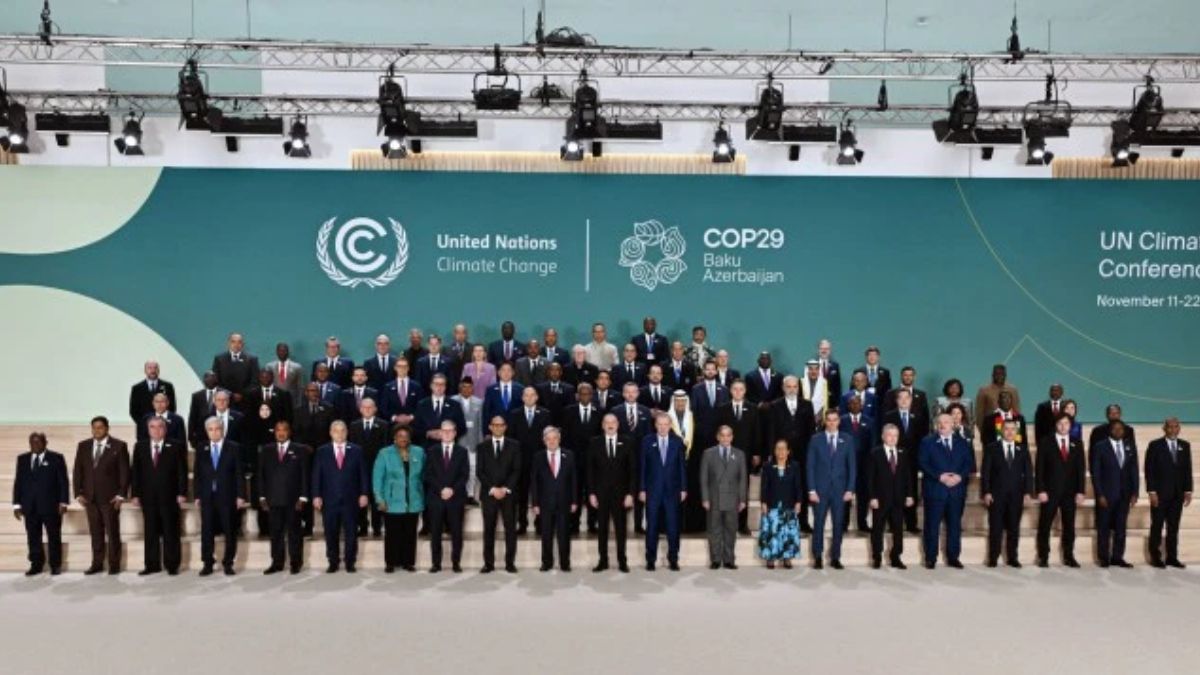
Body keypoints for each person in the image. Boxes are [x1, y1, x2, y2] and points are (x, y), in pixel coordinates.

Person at [130, 416, 188, 576]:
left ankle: (172, 565)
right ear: (148, 429)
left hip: (169, 496)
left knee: (171, 531)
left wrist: (182, 493)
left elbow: (181, 472)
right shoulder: (140, 446)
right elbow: (135, 472)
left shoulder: (176, 446)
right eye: (152, 427)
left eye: (160, 427)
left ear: (165, 428)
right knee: (150, 532)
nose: (156, 430)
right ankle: (152, 565)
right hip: (148, 497)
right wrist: (135, 494)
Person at [73, 416, 130, 575]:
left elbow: (124, 473)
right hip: (90, 499)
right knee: (95, 533)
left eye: (100, 427)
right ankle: (97, 563)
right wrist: (78, 493)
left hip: (110, 499)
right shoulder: (83, 446)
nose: (96, 430)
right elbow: (78, 471)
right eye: (94, 427)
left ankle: (114, 565)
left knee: (112, 533)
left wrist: (120, 495)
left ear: (107, 428)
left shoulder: (119, 446)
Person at [312, 421, 369, 573]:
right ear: (331, 433)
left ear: (347, 432)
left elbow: (363, 474)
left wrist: (364, 493)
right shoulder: (322, 451)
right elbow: (317, 475)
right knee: (331, 532)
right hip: (329, 500)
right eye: (336, 431)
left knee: (351, 533)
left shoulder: (356, 450)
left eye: (343, 430)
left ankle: (350, 562)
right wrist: (316, 495)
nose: (340, 434)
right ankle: (333, 562)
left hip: (351, 499)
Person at [918, 413, 975, 569]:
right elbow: (922, 462)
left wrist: (959, 476)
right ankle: (930, 558)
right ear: (936, 425)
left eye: (947, 422)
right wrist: (939, 476)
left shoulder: (963, 442)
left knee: (955, 525)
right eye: (940, 422)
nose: (943, 425)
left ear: (953, 424)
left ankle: (953, 557)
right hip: (935, 490)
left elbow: (969, 463)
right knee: (931, 526)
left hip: (956, 491)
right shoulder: (927, 442)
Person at [194, 416, 247, 576]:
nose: (214, 432)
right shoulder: (201, 447)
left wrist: (240, 495)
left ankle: (228, 563)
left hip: (228, 496)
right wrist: (197, 495)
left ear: (222, 430)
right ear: (207, 431)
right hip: (207, 496)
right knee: (207, 531)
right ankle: (207, 563)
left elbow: (239, 473)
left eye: (217, 429)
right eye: (210, 430)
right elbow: (198, 474)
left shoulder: (234, 447)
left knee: (230, 531)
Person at [12, 432, 69, 576]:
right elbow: (18, 482)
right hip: (29, 506)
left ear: (45, 443)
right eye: (32, 443)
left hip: (51, 506)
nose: (35, 445)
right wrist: (16, 504)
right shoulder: (22, 459)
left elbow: (63, 482)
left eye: (38, 442)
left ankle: (55, 565)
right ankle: (36, 564)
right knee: (32, 537)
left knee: (54, 536)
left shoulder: (56, 458)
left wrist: (63, 502)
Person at [257, 420, 309, 574]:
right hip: (273, 500)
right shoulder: (266, 450)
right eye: (278, 430)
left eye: (284, 429)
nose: (281, 433)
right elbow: (261, 475)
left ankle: (295, 562)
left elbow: (305, 475)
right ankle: (277, 563)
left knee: (295, 533)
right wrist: (261, 497)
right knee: (275, 533)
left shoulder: (300, 450)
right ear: (275, 432)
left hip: (294, 500)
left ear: (289, 432)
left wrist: (304, 497)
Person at [1035, 413, 1086, 568]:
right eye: (1060, 424)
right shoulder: (1045, 442)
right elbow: (1039, 469)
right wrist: (1041, 490)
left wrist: (1080, 491)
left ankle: (1069, 556)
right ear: (1055, 425)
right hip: (1050, 492)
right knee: (1045, 525)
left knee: (1069, 526)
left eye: (1066, 423)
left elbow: (1080, 469)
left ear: (1071, 426)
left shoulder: (1077, 443)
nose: (1063, 426)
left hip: (1070, 493)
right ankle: (1043, 556)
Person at [807, 409, 856, 569]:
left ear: (839, 421)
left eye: (835, 419)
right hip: (820, 490)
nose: (832, 423)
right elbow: (810, 466)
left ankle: (836, 557)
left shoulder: (847, 439)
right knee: (819, 523)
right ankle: (818, 556)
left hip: (840, 491)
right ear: (825, 421)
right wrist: (812, 489)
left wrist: (850, 489)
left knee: (838, 524)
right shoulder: (816, 439)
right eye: (829, 420)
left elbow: (852, 467)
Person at [981, 420, 1034, 568]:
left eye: (1013, 429)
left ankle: (1012, 558)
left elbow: (1028, 473)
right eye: (1006, 429)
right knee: (995, 528)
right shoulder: (991, 448)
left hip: (1017, 495)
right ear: (1001, 431)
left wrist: (1028, 493)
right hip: (996, 495)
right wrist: (986, 492)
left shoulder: (1022, 449)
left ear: (1016, 432)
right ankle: (993, 557)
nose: (1010, 432)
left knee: (1014, 528)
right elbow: (986, 473)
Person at [767, 376, 816, 532]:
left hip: (803, 454)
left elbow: (811, 431)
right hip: (781, 454)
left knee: (801, 486)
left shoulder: (807, 405)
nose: (792, 389)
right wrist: (772, 453)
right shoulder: (775, 406)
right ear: (783, 388)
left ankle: (803, 521)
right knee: (781, 487)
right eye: (789, 386)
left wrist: (811, 453)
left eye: (795, 386)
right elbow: (771, 432)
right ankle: (782, 520)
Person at [373, 426, 425, 573]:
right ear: (394, 437)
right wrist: (379, 499)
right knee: (392, 533)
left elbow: (423, 476)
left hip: (413, 500)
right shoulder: (384, 453)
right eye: (400, 435)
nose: (403, 438)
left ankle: (408, 562)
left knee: (410, 533)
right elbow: (377, 478)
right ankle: (391, 562)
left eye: (406, 435)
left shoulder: (419, 452)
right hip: (391, 501)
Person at [588, 414, 635, 572]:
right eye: (607, 422)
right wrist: (592, 493)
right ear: (602, 425)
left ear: (618, 424)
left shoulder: (628, 442)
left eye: (613, 422)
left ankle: (622, 561)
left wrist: (630, 493)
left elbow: (632, 471)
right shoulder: (594, 443)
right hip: (600, 494)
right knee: (602, 529)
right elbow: (590, 471)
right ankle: (603, 560)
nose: (610, 425)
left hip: (621, 494)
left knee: (621, 528)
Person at [1145, 417, 1193, 569]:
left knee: (1173, 527)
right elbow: (1149, 470)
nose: (1173, 429)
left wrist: (1188, 490)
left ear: (1179, 428)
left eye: (1176, 427)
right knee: (1157, 526)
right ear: (1164, 428)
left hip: (1177, 495)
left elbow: (1187, 470)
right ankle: (1156, 557)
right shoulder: (1155, 445)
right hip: (1159, 494)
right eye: (1170, 427)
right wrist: (1152, 491)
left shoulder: (1185, 446)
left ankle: (1172, 557)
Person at [641, 413, 687, 570]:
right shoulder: (647, 441)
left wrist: (683, 488)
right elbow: (642, 467)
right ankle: (650, 560)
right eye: (659, 424)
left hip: (672, 491)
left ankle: (673, 559)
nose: (662, 427)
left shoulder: (677, 442)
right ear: (655, 425)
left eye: (665, 424)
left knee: (673, 526)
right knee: (652, 526)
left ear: (670, 425)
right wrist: (642, 489)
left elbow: (682, 467)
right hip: (652, 491)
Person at [1091, 420, 1139, 568]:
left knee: (1121, 527)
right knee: (1104, 527)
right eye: (1115, 429)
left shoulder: (1129, 446)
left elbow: (1134, 470)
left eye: (1121, 429)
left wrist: (1135, 492)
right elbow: (1096, 473)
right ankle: (1103, 558)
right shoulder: (1100, 447)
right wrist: (1099, 494)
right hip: (1106, 494)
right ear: (1110, 430)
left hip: (1124, 494)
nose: (1118, 432)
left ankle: (1117, 557)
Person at [476, 416, 521, 573]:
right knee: (489, 529)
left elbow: (516, 470)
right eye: (495, 425)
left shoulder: (514, 446)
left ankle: (510, 563)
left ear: (505, 427)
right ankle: (488, 564)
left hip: (508, 495)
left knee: (510, 530)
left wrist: (505, 488)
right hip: (489, 495)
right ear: (490, 427)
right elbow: (479, 472)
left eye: (501, 425)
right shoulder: (482, 447)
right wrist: (493, 489)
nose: (498, 427)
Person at [424, 420, 469, 573]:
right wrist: (441, 489)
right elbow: (428, 475)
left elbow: (464, 476)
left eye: (450, 431)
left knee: (456, 533)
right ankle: (436, 564)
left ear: (455, 433)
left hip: (455, 498)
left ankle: (456, 563)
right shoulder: (431, 451)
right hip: (436, 498)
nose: (447, 433)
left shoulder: (462, 452)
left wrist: (451, 489)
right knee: (435, 533)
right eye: (444, 431)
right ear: (440, 433)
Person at [717, 380, 761, 534]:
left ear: (745, 391)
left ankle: (743, 525)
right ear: (730, 391)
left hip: (746, 455)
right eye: (735, 389)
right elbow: (717, 433)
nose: (737, 392)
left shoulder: (753, 408)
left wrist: (756, 453)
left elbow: (757, 432)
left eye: (740, 389)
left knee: (743, 490)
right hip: (726, 455)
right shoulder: (722, 409)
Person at [530, 427, 578, 571]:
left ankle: (565, 563)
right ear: (544, 441)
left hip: (564, 501)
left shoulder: (569, 455)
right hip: (545, 503)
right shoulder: (538, 457)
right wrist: (535, 503)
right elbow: (534, 481)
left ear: (559, 439)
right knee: (546, 534)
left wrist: (575, 501)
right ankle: (547, 562)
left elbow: (574, 480)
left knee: (564, 534)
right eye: (548, 439)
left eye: (554, 438)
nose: (552, 441)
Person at [700, 425, 747, 569]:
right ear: (718, 437)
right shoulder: (708, 453)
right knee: (714, 530)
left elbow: (743, 479)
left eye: (728, 435)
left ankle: (729, 559)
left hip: (732, 499)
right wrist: (705, 498)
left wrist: (743, 499)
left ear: (732, 437)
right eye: (723, 435)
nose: (725, 438)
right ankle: (715, 559)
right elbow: (703, 478)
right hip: (714, 498)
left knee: (731, 530)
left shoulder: (739, 454)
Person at [882, 388, 929, 533]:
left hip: (912, 461)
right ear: (896, 401)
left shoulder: (918, 417)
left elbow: (923, 440)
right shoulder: (888, 416)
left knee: (911, 491)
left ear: (911, 400)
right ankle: (893, 524)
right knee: (892, 491)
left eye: (906, 398)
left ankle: (911, 524)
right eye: (900, 398)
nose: (903, 401)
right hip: (893, 459)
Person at [868, 425, 913, 569]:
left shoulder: (903, 452)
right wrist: (872, 497)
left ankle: (896, 556)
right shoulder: (875, 453)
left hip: (898, 499)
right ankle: (877, 557)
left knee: (898, 529)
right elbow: (869, 478)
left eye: (895, 435)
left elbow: (908, 476)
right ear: (883, 436)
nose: (892, 438)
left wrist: (910, 495)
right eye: (889, 435)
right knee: (877, 529)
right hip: (880, 499)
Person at [507, 386, 551, 534]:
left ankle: (540, 524)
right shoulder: (514, 414)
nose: (530, 398)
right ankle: (522, 523)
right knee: (522, 494)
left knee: (541, 493)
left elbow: (549, 439)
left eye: (532, 395)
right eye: (527, 395)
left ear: (537, 397)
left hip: (540, 461)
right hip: (521, 460)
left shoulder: (545, 414)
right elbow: (511, 439)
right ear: (522, 398)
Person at [293, 383, 332, 537]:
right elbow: (295, 433)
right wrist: (303, 447)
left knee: (326, 488)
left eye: (315, 390)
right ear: (305, 393)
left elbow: (332, 430)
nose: (313, 393)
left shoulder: (328, 408)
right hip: (306, 456)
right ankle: (307, 526)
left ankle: (329, 525)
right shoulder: (298, 410)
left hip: (325, 455)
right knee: (307, 489)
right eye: (310, 390)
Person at [758, 439, 803, 569]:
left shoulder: (794, 466)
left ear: (788, 451)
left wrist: (799, 502)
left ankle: (787, 558)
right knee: (771, 531)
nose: (780, 451)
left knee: (789, 532)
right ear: (774, 451)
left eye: (783, 448)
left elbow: (798, 486)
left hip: (789, 504)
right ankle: (770, 558)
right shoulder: (767, 466)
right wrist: (763, 502)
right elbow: (764, 486)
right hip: (772, 504)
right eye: (778, 448)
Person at [349, 398, 390, 537]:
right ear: (360, 409)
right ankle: (363, 526)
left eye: (370, 407)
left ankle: (377, 527)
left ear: (375, 409)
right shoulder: (354, 426)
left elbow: (386, 447)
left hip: (377, 467)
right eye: (364, 407)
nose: (367, 409)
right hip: (359, 468)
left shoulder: (384, 425)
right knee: (361, 495)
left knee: (376, 496)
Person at [669, 391, 704, 533]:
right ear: (673, 402)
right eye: (677, 401)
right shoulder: (667, 419)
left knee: (691, 494)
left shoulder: (693, 418)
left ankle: (691, 525)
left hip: (691, 464)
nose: (680, 403)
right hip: (672, 464)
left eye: (683, 401)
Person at [840, 395, 874, 534]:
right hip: (845, 463)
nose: (854, 405)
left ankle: (862, 522)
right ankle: (843, 523)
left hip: (864, 464)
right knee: (845, 493)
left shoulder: (870, 421)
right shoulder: (841, 420)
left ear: (862, 405)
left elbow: (873, 442)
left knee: (863, 495)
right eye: (851, 403)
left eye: (857, 403)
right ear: (848, 405)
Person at [453, 376, 484, 503]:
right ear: (460, 387)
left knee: (473, 469)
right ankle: (459, 493)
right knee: (457, 469)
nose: (466, 389)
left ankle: (470, 495)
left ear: (473, 388)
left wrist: (480, 443)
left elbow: (481, 425)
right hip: (458, 442)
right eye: (464, 386)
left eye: (469, 387)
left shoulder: (479, 402)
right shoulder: (453, 401)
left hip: (473, 442)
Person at [413, 374, 466, 443]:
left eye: (442, 384)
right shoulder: (422, 404)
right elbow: (416, 428)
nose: (439, 387)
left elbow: (462, 428)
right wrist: (428, 433)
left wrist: (447, 433)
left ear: (445, 387)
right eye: (436, 384)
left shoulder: (455, 405)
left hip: (448, 447)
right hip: (428, 447)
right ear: (431, 386)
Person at [690, 359, 729, 450]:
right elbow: (694, 411)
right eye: (707, 369)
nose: (710, 371)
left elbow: (726, 411)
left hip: (719, 432)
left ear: (716, 371)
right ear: (703, 371)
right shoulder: (696, 389)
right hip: (701, 432)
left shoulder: (724, 389)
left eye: (712, 369)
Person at [974, 364, 1021, 440]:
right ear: (992, 375)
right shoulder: (984, 390)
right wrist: (983, 432)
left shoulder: (1012, 389)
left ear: (1006, 375)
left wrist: (1016, 431)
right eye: (997, 374)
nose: (1000, 376)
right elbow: (979, 414)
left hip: (1010, 430)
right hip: (990, 430)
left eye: (1002, 374)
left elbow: (1016, 410)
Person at [211, 332, 259, 403]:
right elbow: (215, 380)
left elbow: (255, 381)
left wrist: (242, 394)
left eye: (239, 342)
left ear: (243, 344)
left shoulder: (252, 359)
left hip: (246, 400)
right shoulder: (219, 359)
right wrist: (230, 394)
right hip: (224, 400)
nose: (236, 345)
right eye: (233, 342)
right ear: (228, 343)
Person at [128, 360, 177, 426]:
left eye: (155, 368)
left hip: (164, 427)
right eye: (150, 368)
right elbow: (133, 411)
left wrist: (163, 423)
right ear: (145, 371)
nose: (153, 370)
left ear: (158, 370)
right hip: (143, 429)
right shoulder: (137, 388)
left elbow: (172, 408)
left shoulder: (168, 386)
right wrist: (145, 424)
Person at [381, 357, 423, 428]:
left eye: (405, 366)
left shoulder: (417, 386)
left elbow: (421, 406)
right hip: (393, 425)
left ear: (408, 368)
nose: (402, 369)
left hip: (412, 425)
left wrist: (410, 417)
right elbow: (384, 407)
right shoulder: (388, 387)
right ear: (395, 368)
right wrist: (395, 418)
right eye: (399, 366)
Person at [482, 362, 523, 429]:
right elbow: (486, 411)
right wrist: (486, 432)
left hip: (515, 427)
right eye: (503, 370)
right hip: (496, 427)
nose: (506, 373)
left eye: (509, 370)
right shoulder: (490, 389)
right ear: (498, 373)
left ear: (513, 373)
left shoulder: (520, 389)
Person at [187, 371, 220, 450]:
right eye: (207, 377)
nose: (209, 380)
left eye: (212, 377)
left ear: (216, 379)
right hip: (201, 436)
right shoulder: (197, 396)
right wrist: (191, 436)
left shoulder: (225, 394)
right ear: (204, 380)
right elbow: (192, 417)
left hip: (219, 434)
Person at [535, 363, 576, 427]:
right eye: (552, 370)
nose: (554, 373)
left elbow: (571, 409)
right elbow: (538, 407)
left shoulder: (569, 388)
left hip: (562, 424)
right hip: (544, 424)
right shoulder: (540, 388)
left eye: (557, 370)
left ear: (561, 372)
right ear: (548, 372)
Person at [815, 339, 843, 404]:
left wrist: (838, 404)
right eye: (822, 348)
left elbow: (838, 387)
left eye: (826, 349)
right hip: (816, 401)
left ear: (830, 351)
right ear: (818, 350)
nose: (824, 351)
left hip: (832, 402)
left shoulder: (835, 366)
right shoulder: (812, 365)